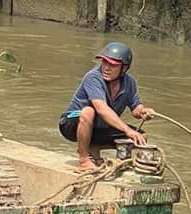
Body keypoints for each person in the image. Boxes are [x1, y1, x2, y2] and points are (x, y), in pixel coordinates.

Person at [59, 42, 155, 170]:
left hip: (100, 127)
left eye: (112, 65)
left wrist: (143, 111)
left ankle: (97, 148)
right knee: (88, 112)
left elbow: (135, 107)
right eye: (104, 62)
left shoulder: (129, 82)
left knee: (141, 137)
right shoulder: (93, 77)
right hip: (72, 123)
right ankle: (84, 160)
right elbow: (101, 109)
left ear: (124, 68)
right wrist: (128, 130)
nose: (106, 68)